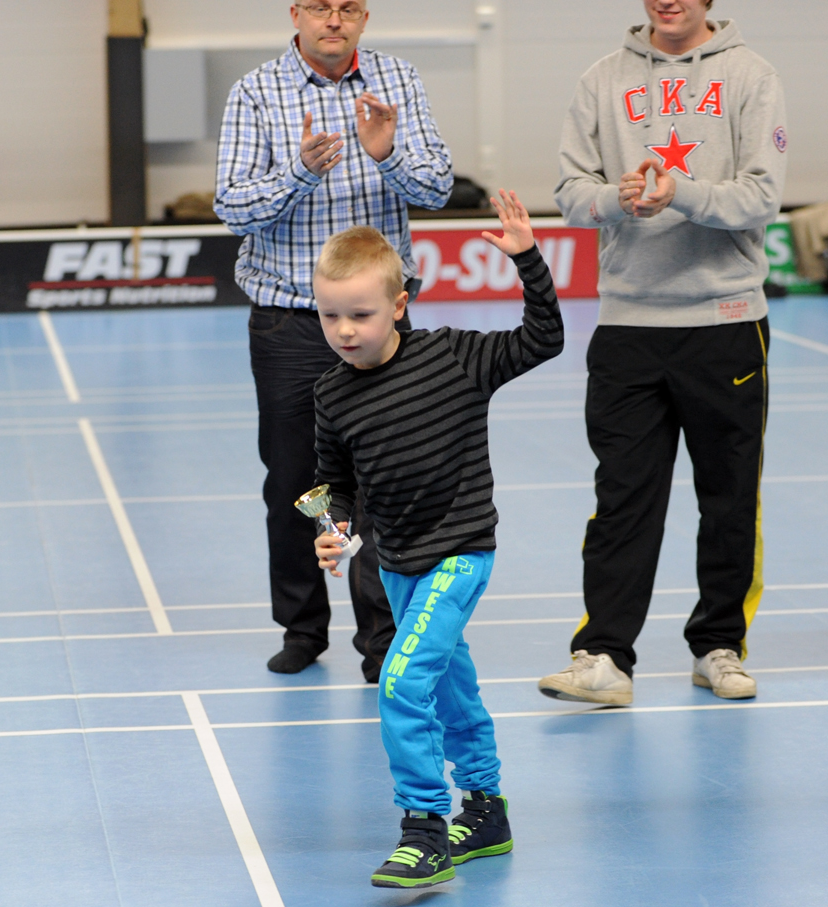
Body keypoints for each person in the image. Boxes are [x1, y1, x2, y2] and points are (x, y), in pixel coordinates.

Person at [309, 193, 563, 887]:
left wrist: (525, 261)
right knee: (452, 687)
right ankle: (484, 811)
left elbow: (543, 340)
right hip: (396, 563)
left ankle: (424, 826)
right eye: (329, 315)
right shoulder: (331, 394)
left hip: (460, 553)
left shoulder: (453, 357)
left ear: (398, 303)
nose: (344, 330)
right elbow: (336, 484)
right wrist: (332, 534)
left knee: (400, 681)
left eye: (359, 314)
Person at [541, 0, 787, 705]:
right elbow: (569, 192)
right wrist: (616, 201)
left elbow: (761, 197)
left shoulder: (750, 75)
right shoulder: (600, 79)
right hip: (626, 326)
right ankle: (603, 656)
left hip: (726, 319)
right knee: (621, 496)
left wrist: (679, 191)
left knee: (729, 495)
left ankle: (719, 645)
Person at [214, 1, 453, 679]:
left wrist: (388, 155)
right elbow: (230, 205)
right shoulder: (256, 92)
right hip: (290, 322)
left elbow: (435, 189)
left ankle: (382, 641)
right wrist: (298, 173)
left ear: (364, 17)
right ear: (296, 13)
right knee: (296, 484)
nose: (334, 19)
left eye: (348, 7)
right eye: (320, 6)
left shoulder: (398, 81)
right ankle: (301, 626)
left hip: (381, 327)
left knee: (384, 484)